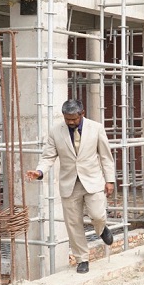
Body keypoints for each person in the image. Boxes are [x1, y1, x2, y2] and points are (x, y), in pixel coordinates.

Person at [26, 99, 115, 274]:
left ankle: (101, 227)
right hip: (69, 183)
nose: (70, 122)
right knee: (73, 223)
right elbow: (48, 156)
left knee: (97, 215)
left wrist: (109, 180)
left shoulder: (96, 128)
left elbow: (105, 156)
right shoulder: (55, 132)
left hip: (93, 180)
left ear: (82, 114)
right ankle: (82, 259)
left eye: (74, 119)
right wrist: (39, 171)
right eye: (67, 119)